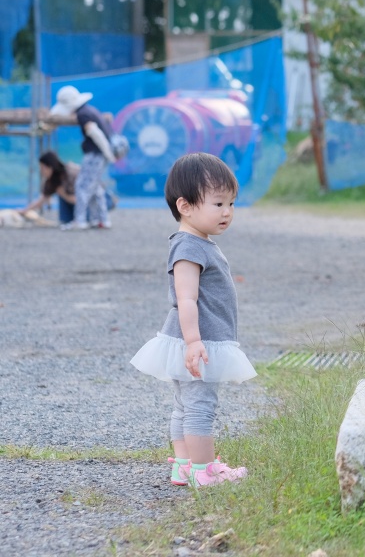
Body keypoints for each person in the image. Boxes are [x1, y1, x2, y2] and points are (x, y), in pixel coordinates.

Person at [130, 152, 255, 487]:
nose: (227, 212)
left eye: (231, 203)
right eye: (218, 204)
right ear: (185, 206)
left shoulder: (197, 242)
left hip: (192, 339)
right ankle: (204, 471)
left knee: (185, 405)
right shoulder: (189, 247)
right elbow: (186, 298)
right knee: (200, 406)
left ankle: (185, 466)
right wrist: (194, 341)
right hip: (198, 340)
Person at [50, 85, 115, 230]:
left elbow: (95, 134)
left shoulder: (83, 114)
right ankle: (101, 219)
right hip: (99, 154)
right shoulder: (89, 110)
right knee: (95, 186)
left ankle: (80, 220)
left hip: (95, 154)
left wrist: (108, 153)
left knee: (82, 185)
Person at [18, 151, 116, 228]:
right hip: (77, 202)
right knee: (65, 220)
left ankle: (109, 202)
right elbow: (42, 199)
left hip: (91, 199)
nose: (41, 171)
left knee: (89, 215)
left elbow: (80, 199)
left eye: (43, 168)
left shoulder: (70, 173)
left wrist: (63, 193)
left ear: (50, 167)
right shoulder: (52, 181)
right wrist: (23, 211)